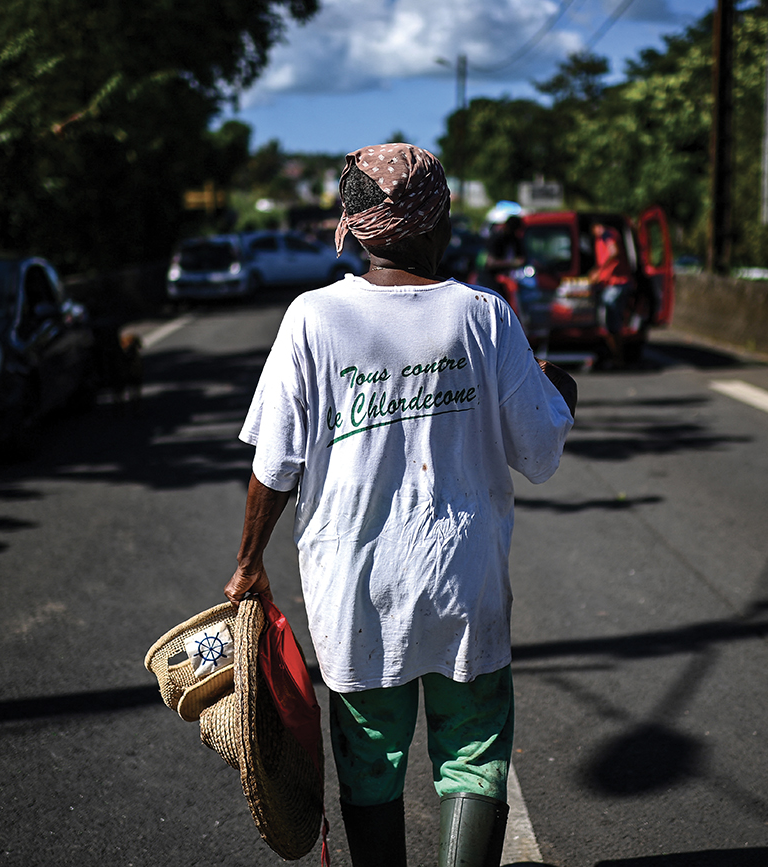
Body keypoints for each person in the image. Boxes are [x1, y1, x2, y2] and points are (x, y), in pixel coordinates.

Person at [224, 143, 576, 867]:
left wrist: (248, 562)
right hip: (463, 577)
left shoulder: (313, 319)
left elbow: (275, 464)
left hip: (356, 588)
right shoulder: (485, 317)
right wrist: (562, 389)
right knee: (474, 752)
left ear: (351, 225)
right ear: (439, 219)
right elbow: (539, 449)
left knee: (370, 758)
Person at [588, 222, 634, 368]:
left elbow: (613, 251)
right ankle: (616, 356)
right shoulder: (606, 236)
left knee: (611, 323)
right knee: (611, 324)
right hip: (612, 284)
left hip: (617, 284)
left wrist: (599, 270)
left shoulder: (606, 234)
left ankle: (617, 357)